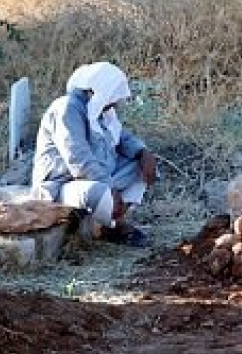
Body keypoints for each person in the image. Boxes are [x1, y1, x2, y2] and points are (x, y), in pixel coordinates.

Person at [31, 62, 157, 247]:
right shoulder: (67, 108)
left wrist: (142, 152)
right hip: (61, 186)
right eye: (112, 97)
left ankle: (110, 219)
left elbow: (122, 137)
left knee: (143, 167)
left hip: (98, 177)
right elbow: (79, 159)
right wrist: (109, 187)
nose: (114, 103)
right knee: (98, 191)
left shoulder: (98, 110)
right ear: (98, 91)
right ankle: (111, 227)